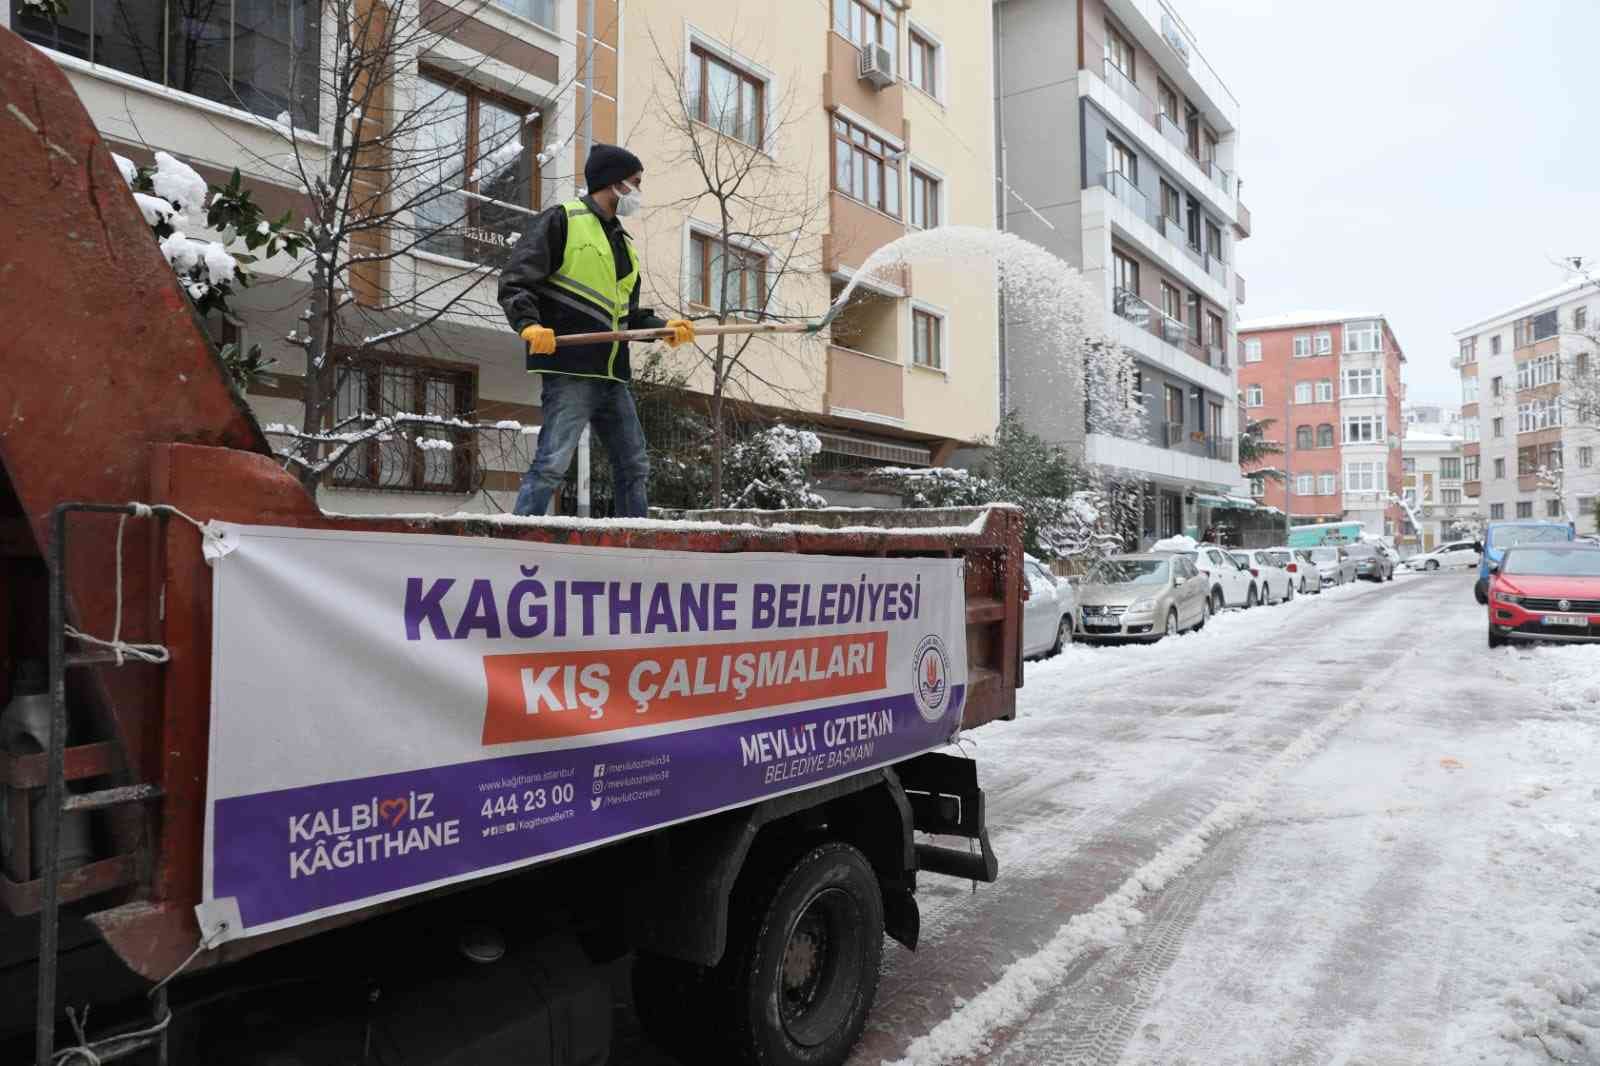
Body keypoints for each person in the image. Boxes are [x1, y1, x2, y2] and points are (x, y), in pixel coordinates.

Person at [498, 143, 695, 517]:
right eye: (635, 183)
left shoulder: (623, 242)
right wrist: (529, 324)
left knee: (633, 465)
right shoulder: (563, 219)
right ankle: (519, 536)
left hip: (611, 374)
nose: (638, 192)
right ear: (614, 184)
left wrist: (663, 328)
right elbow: (516, 280)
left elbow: (626, 316)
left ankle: (634, 541)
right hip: (571, 368)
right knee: (553, 462)